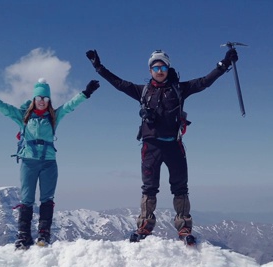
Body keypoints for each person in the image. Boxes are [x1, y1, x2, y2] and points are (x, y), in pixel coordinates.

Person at [85, 48, 238, 245]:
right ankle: (144, 227)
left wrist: (223, 65)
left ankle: (184, 227)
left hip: (174, 146)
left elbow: (203, 82)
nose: (159, 70)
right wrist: (99, 67)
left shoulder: (179, 89)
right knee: (149, 188)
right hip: (151, 147)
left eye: (163, 66)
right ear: (150, 70)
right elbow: (119, 84)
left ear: (168, 68)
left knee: (180, 188)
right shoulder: (143, 91)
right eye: (155, 67)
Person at [0, 78, 100, 249]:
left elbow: (70, 105)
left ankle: (44, 235)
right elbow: (5, 109)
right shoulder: (23, 117)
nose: (42, 102)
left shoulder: (54, 116)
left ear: (49, 101)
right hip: (28, 162)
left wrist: (86, 93)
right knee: (27, 199)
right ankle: (24, 236)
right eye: (39, 98)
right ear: (34, 99)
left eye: (46, 99)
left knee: (47, 199)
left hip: (49, 162)